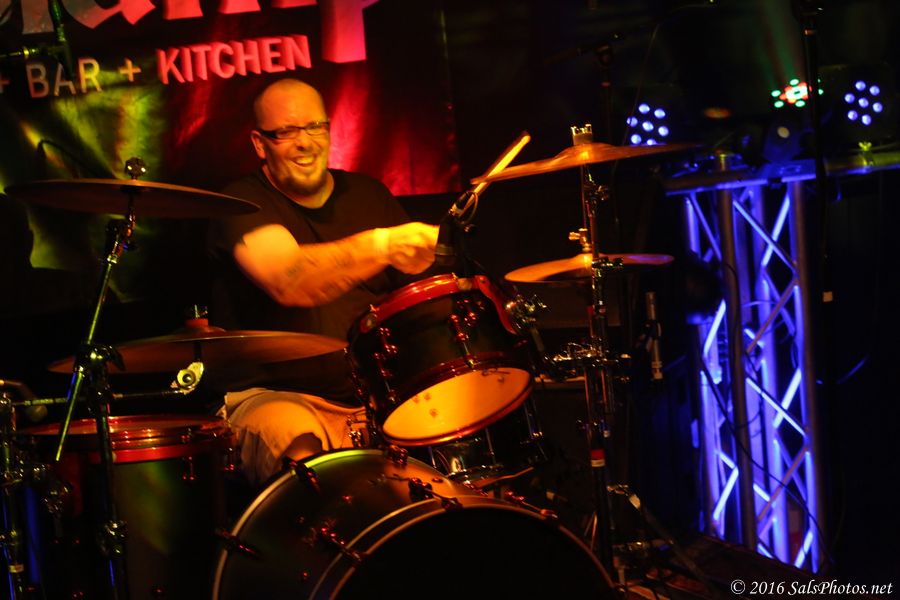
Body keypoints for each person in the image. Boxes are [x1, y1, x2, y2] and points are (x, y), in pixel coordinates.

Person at [207, 78, 438, 487]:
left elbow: (422, 304)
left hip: (375, 397)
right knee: (299, 444)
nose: (305, 143)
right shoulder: (240, 203)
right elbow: (289, 279)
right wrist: (382, 245)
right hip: (277, 396)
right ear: (260, 144)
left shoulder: (369, 194)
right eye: (286, 132)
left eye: (315, 127)